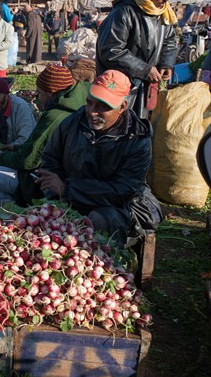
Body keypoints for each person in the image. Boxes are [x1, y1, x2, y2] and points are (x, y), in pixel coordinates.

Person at [36, 70, 162, 246]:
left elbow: (122, 191)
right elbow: (50, 162)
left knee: (100, 218)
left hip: (123, 205)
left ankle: (109, 266)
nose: (92, 112)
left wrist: (67, 189)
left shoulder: (137, 139)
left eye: (102, 106)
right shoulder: (72, 122)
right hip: (72, 195)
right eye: (89, 103)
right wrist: (56, 190)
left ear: (123, 106)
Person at [0, 65, 89, 208]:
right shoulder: (77, 106)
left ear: (50, 93)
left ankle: (14, 211)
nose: (37, 98)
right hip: (56, 176)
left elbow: (28, 159)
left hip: (42, 180)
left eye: (39, 92)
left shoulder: (37, 112)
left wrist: (2, 156)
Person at [96, 0, 180, 118]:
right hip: (120, 88)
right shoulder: (124, 12)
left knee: (140, 128)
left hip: (146, 88)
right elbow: (110, 51)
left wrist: (165, 64)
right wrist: (144, 69)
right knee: (117, 128)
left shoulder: (164, 13)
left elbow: (169, 42)